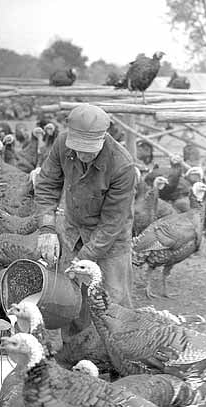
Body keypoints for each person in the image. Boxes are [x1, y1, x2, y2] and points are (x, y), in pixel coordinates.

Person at [35, 103, 136, 308]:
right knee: (72, 301)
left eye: (89, 150)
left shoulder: (122, 165)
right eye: (78, 148)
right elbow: (46, 185)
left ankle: (115, 339)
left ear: (103, 138)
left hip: (111, 240)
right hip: (74, 231)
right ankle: (74, 340)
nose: (82, 155)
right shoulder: (62, 143)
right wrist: (47, 227)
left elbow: (112, 222)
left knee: (114, 304)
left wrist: (83, 260)